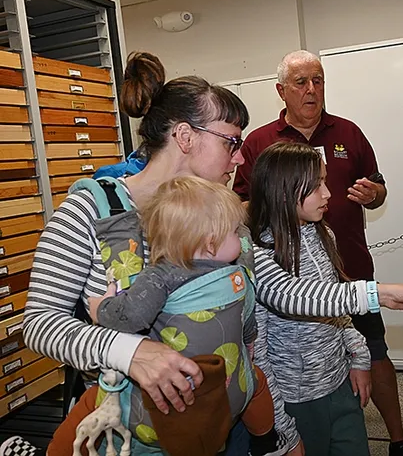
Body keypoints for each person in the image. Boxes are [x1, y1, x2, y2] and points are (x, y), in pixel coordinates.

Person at [13, 51, 403, 456]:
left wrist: (381, 295)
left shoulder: (224, 217)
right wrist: (130, 352)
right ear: (185, 136)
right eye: (230, 141)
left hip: (229, 424)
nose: (240, 158)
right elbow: (38, 324)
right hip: (137, 432)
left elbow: (287, 293)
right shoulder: (91, 209)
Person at [233, 50, 403, 455]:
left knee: (373, 353)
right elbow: (288, 297)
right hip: (298, 378)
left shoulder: (348, 132)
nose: (312, 89)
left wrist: (374, 194)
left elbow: (378, 184)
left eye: (318, 80)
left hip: (348, 268)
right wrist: (274, 209)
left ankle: (398, 440)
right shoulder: (261, 143)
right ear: (281, 91)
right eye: (301, 82)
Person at [46, 176, 290, 456]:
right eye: (236, 231)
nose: (241, 236)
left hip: (167, 410)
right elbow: (247, 322)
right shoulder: (237, 277)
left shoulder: (160, 276)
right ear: (211, 242)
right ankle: (266, 440)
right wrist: (247, 344)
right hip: (230, 394)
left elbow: (128, 317)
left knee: (90, 403)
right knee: (256, 381)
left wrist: (100, 308)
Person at [250, 141, 372, 456]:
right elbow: (259, 357)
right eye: (316, 185)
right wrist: (284, 432)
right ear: (283, 192)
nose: (328, 193)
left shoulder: (323, 235)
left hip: (340, 383)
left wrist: (358, 357)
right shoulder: (260, 256)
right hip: (297, 403)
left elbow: (335, 306)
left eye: (325, 181)